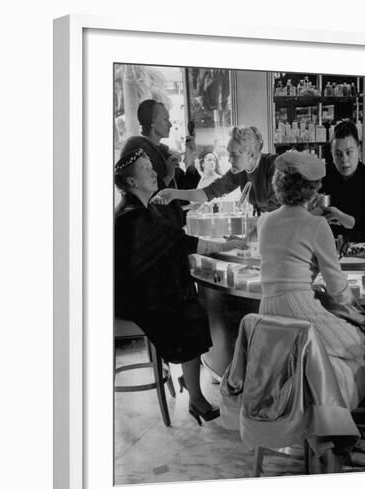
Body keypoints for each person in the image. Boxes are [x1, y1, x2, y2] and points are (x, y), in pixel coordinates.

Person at [258, 150, 365, 471]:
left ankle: (320, 424)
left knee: (325, 356)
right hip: (301, 317)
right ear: (312, 190)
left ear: (279, 185)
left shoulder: (264, 222)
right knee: (360, 342)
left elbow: (286, 269)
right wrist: (353, 310)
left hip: (268, 320)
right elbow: (337, 286)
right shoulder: (316, 226)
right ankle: (332, 435)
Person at [114, 147, 247, 425]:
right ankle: (196, 398)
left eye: (152, 166)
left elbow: (170, 242)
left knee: (191, 303)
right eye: (145, 169)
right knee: (191, 313)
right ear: (131, 182)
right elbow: (177, 243)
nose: (153, 172)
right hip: (134, 302)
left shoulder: (141, 207)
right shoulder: (133, 216)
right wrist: (224, 245)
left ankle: (192, 381)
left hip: (145, 291)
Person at [152, 126, 280, 215]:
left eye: (234, 155)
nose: (229, 160)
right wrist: (173, 193)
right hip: (267, 227)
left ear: (252, 155)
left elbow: (288, 210)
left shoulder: (274, 166)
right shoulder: (239, 172)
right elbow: (208, 193)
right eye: (229, 154)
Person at [120, 99, 200, 227]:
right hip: (148, 227)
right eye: (165, 119)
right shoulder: (137, 149)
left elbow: (184, 189)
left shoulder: (164, 152)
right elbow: (150, 196)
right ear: (152, 122)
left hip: (170, 226)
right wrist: (168, 175)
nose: (170, 125)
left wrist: (190, 159)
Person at [320, 120, 365, 242]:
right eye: (338, 154)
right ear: (331, 154)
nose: (344, 160)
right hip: (326, 246)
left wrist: (343, 218)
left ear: (358, 149)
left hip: (362, 250)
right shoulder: (322, 177)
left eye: (349, 152)